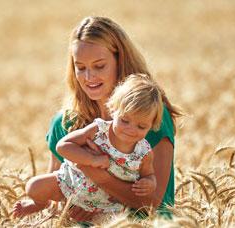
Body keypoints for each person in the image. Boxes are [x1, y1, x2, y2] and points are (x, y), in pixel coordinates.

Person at [40, 16, 183, 223]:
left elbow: (152, 203)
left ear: (120, 60)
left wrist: (99, 177)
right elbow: (53, 201)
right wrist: (70, 207)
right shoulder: (65, 124)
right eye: (80, 67)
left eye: (99, 66)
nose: (88, 77)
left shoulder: (148, 118)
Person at [12, 74, 163, 218]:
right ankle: (40, 204)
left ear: (152, 126)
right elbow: (63, 146)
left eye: (141, 126)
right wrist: (92, 160)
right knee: (33, 187)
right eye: (125, 120)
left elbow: (148, 175)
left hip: (107, 205)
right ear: (113, 110)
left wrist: (149, 183)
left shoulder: (144, 153)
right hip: (71, 182)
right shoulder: (99, 129)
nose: (131, 130)